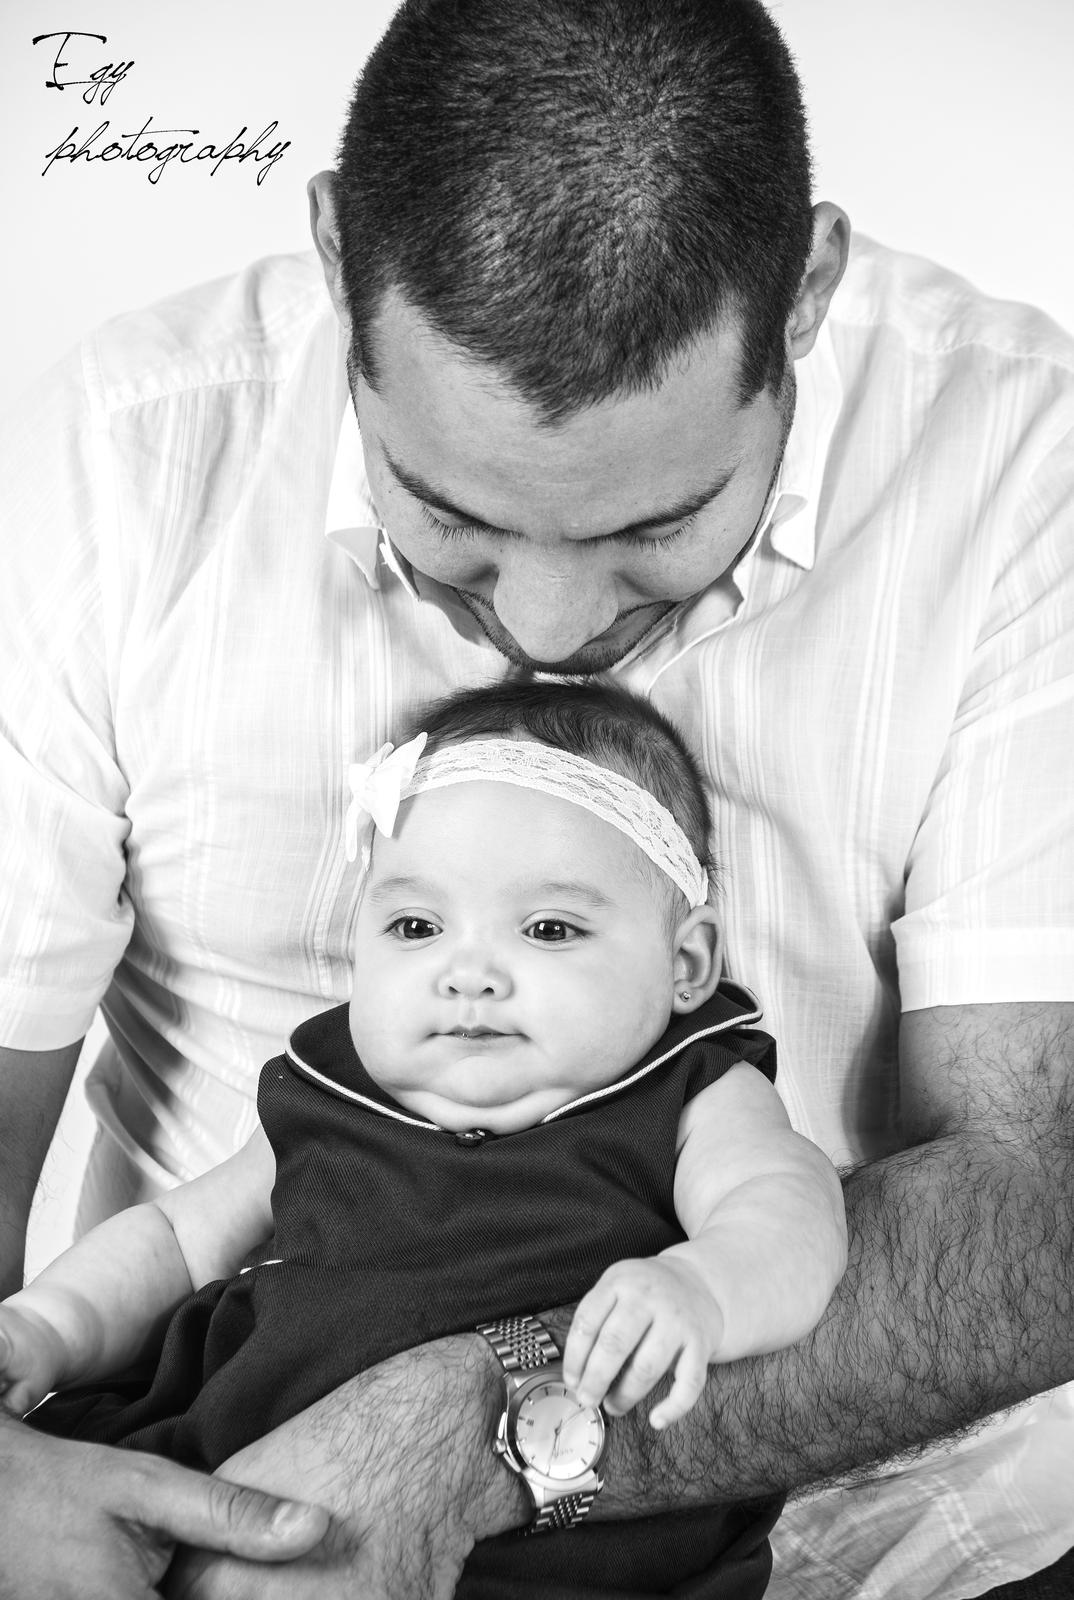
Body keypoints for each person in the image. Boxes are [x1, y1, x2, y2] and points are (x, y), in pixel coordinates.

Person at [0, 0, 1071, 1597]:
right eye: (448, 516)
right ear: (333, 258)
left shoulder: (1021, 462)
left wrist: (492, 1433)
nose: (551, 631)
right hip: (200, 1496)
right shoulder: (122, 454)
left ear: (807, 294)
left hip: (880, 1511)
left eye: (657, 525)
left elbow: (1039, 1198)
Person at [1, 680, 848, 1596]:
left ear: (685, 962)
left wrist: (704, 1289)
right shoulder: (331, 1089)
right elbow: (175, 1239)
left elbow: (787, 1210)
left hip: (555, 1531)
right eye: (416, 926)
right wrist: (49, 1325)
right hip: (228, 1449)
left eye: (549, 928)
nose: (468, 973)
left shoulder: (687, 1095)